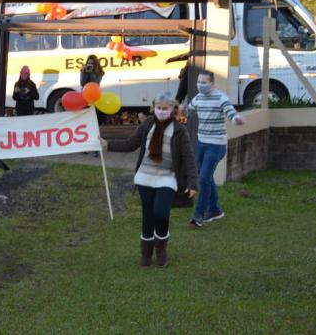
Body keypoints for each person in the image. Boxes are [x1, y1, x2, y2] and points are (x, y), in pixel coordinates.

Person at [101, 91, 198, 267]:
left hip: (167, 178)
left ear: (173, 109)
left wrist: (192, 183)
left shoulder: (179, 130)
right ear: (154, 108)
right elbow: (130, 143)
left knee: (161, 213)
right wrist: (108, 145)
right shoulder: (147, 125)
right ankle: (146, 254)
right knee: (148, 216)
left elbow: (189, 158)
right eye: (158, 108)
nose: (161, 111)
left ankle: (161, 248)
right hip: (145, 177)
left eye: (165, 108)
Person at [182, 69, 244, 227]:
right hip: (201, 143)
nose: (200, 85)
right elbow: (190, 111)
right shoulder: (198, 97)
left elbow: (231, 113)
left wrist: (236, 119)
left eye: (204, 82)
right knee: (206, 178)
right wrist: (182, 109)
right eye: (199, 82)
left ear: (212, 83)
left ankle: (199, 215)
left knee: (203, 179)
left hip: (216, 146)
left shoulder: (221, 98)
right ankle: (215, 210)